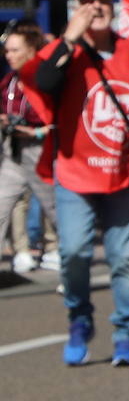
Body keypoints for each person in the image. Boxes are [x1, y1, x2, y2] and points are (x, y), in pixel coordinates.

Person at [21, 0, 129, 366]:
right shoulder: (66, 53)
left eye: (102, 1)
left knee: (123, 257)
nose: (96, 8)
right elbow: (43, 81)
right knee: (74, 252)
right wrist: (70, 39)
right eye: (87, 2)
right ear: (76, 9)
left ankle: (125, 332)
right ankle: (79, 316)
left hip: (120, 172)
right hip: (74, 172)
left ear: (114, 7)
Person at [0, 26, 56, 271]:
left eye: (15, 50)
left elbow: (59, 119)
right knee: (2, 202)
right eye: (7, 50)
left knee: (54, 209)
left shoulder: (47, 80)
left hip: (41, 150)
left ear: (32, 50)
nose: (9, 55)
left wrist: (36, 131)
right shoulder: (9, 80)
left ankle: (71, 262)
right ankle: (21, 250)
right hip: (13, 151)